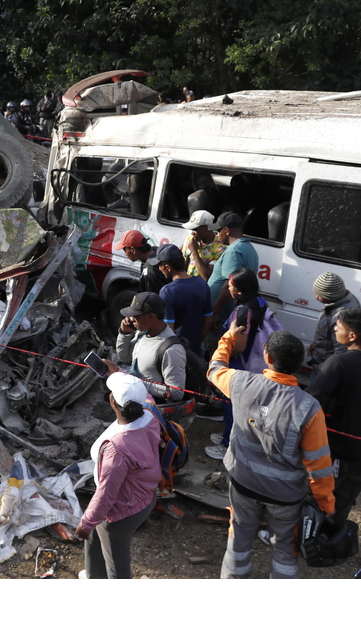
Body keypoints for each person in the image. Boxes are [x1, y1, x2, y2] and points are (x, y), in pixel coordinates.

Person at [208, 323, 335, 579]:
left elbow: (214, 369)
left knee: (238, 540)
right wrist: (326, 504)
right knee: (285, 550)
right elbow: (318, 465)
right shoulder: (309, 408)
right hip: (285, 496)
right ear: (299, 364)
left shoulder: (241, 382)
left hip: (243, 484)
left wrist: (230, 337)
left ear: (268, 357)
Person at [307, 307, 361, 524]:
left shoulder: (339, 363)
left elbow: (309, 402)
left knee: (317, 503)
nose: (334, 329)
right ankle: (332, 538)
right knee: (342, 505)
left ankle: (308, 538)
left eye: (338, 327)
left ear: (352, 335)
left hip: (337, 451)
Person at [75, 372, 160, 579]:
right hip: (143, 494)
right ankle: (94, 577)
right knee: (95, 538)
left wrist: (86, 524)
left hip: (121, 511)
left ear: (113, 402)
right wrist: (116, 371)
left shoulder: (118, 450)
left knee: (116, 565)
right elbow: (144, 394)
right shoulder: (151, 413)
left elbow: (106, 493)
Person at [205, 267, 283, 460]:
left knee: (232, 406)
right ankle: (228, 435)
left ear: (238, 290)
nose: (228, 288)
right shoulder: (258, 302)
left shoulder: (242, 312)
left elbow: (239, 346)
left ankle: (227, 446)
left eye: (230, 285)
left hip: (240, 364)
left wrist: (223, 352)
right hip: (252, 363)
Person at [111, 292, 186, 403]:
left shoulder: (172, 350)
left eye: (136, 316)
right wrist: (124, 334)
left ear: (151, 316)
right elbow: (124, 357)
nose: (130, 319)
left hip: (151, 407)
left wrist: (135, 382)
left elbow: (176, 393)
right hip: (135, 399)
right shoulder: (142, 333)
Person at [156, 243, 213, 355]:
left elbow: (168, 330)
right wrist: (196, 343)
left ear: (168, 267)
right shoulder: (202, 284)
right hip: (196, 351)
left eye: (160, 265)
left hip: (176, 353)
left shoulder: (167, 291)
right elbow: (208, 321)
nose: (159, 268)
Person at [206, 211, 259, 321]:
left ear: (226, 230)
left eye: (218, 231)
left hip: (222, 315)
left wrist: (214, 311)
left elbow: (228, 286)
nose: (217, 235)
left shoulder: (234, 251)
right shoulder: (249, 248)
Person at [306, 272, 361, 373]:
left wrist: (321, 368)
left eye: (319, 294)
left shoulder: (340, 318)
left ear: (329, 296)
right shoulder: (345, 299)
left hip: (327, 369)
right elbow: (327, 333)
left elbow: (341, 352)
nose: (315, 296)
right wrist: (316, 344)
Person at [114, 229, 167, 294]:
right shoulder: (155, 250)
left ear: (133, 250)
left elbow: (153, 297)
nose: (125, 254)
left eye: (124, 250)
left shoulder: (151, 272)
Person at [181, 209, 224, 280]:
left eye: (195, 229)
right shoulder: (189, 240)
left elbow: (207, 277)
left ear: (207, 227)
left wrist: (194, 252)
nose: (192, 233)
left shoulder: (220, 248)